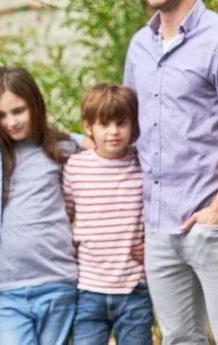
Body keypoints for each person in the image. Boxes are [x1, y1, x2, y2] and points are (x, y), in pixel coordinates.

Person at [124, 0, 218, 343]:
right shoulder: (140, 46)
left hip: (215, 225)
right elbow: (128, 129)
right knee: (178, 340)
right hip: (158, 227)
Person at [0, 67, 78, 345]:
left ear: (35, 105)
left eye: (18, 111)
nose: (11, 121)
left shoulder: (64, 149)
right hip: (8, 287)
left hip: (57, 280)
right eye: (1, 115)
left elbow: (102, 149)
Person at [63, 83, 152, 345]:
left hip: (135, 288)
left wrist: (154, 246)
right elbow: (64, 218)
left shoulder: (142, 164)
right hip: (88, 288)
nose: (114, 132)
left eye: (121, 123)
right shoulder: (76, 167)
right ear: (88, 126)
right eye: (104, 124)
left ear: (133, 125)